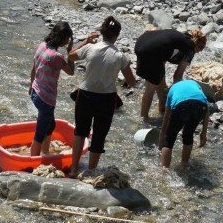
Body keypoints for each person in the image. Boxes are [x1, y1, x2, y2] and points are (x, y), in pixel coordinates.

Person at [67, 16, 137, 177]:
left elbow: (70, 56)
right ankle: (90, 173)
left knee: (80, 132)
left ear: (101, 33)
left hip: (85, 95)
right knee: (99, 136)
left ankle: (73, 170)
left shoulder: (90, 48)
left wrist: (86, 41)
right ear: (117, 36)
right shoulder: (121, 57)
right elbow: (132, 82)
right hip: (106, 99)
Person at [29, 22, 95, 157]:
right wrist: (69, 50)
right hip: (46, 99)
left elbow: (33, 69)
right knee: (39, 135)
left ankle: (45, 153)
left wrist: (31, 85)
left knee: (50, 126)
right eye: (68, 38)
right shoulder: (56, 57)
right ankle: (32, 164)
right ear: (64, 39)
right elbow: (71, 71)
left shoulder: (41, 46)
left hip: (35, 92)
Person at [134, 28, 207, 120]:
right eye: (200, 48)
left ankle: (162, 107)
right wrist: (177, 97)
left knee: (156, 79)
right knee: (150, 87)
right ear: (198, 45)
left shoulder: (178, 38)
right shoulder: (190, 49)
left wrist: (164, 87)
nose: (199, 52)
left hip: (141, 43)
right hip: (151, 51)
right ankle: (143, 119)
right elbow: (177, 76)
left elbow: (162, 62)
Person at [159, 78, 211, 168]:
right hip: (201, 105)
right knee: (188, 134)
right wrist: (204, 133)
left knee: (169, 138)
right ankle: (184, 163)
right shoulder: (194, 83)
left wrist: (161, 147)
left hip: (182, 105)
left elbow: (165, 124)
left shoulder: (171, 91)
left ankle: (163, 171)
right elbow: (207, 109)